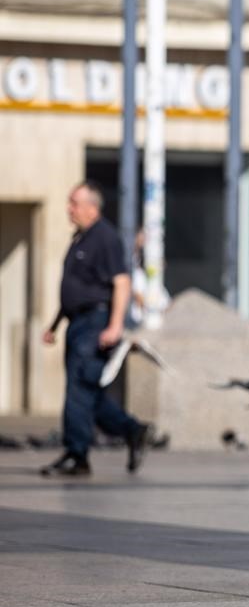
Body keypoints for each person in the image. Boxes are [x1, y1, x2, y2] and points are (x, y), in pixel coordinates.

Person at [39, 183, 154, 478]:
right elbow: (76, 289)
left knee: (79, 388)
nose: (69, 209)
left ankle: (77, 455)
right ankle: (132, 429)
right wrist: (55, 324)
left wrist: (115, 325)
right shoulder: (81, 238)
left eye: (74, 203)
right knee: (89, 391)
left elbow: (122, 282)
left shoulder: (105, 238)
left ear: (92, 207)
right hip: (77, 322)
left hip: (95, 322)